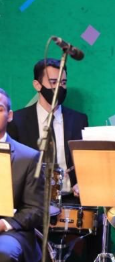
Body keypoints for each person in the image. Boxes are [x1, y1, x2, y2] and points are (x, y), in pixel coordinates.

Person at [8, 58, 89, 199]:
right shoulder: (17, 121)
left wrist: (83, 183)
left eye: (63, 83)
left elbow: (87, 162)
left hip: (69, 201)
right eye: (53, 82)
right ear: (37, 85)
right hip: (31, 203)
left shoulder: (79, 120)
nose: (59, 88)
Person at [0, 88, 44, 262]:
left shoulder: (28, 157)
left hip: (10, 231)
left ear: (9, 116)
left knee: (3, 253)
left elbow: (36, 209)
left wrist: (4, 224)